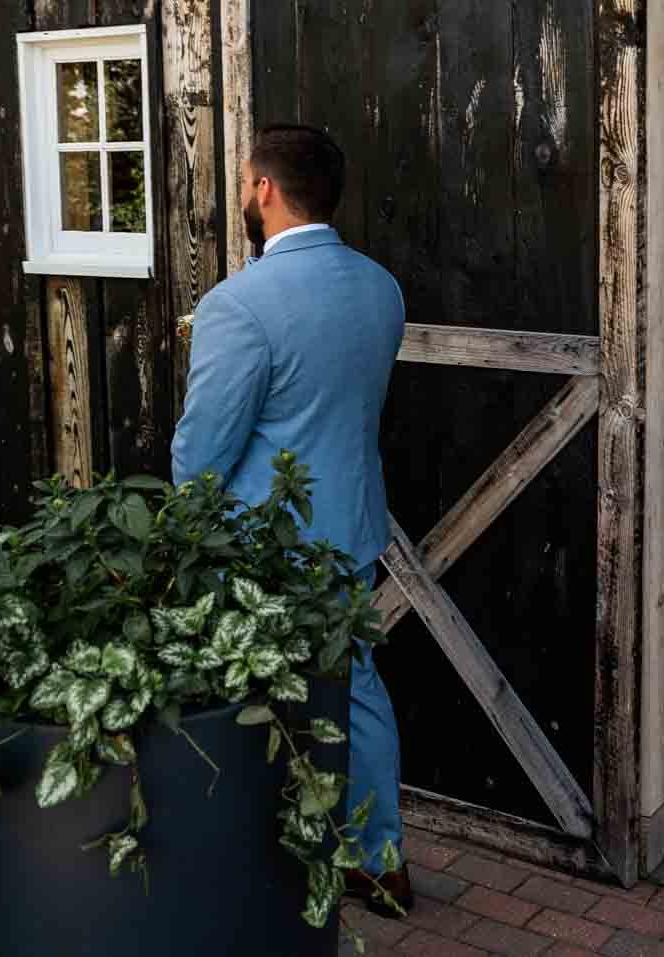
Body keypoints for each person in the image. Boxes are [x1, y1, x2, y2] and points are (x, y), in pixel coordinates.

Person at [171, 123, 412, 917]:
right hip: (351, 526)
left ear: (265, 189)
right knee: (360, 689)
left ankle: (251, 858)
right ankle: (381, 861)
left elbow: (204, 449)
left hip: (260, 547)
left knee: (243, 695)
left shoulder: (236, 305)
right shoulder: (382, 288)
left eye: (246, 181)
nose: (244, 194)